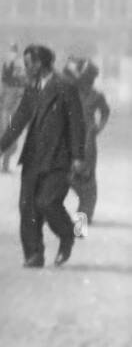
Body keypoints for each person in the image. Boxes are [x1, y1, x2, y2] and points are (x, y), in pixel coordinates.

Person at [0, 44, 85, 268]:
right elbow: (19, 120)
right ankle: (34, 254)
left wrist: (78, 157)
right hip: (34, 157)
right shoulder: (32, 88)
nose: (26, 68)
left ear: (41, 63)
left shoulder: (65, 87)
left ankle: (67, 235)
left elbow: (76, 124)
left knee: (47, 202)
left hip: (59, 158)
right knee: (27, 206)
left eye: (29, 64)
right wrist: (1, 145)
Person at [63, 56, 109, 228]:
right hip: (68, 141)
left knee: (87, 188)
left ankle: (80, 225)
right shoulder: (69, 91)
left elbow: (105, 112)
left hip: (87, 142)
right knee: (61, 180)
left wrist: (99, 127)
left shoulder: (97, 96)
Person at [0, 44, 27, 172]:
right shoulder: (5, 88)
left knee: (10, 141)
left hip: (11, 117)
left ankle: (4, 166)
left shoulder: (18, 88)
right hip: (5, 118)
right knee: (3, 139)